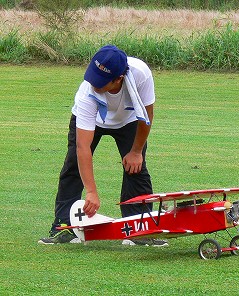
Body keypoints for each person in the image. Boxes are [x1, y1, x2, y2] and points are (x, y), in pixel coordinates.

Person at [38, 45, 167, 247]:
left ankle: (139, 231)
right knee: (73, 167)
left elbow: (147, 116)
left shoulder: (141, 73)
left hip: (130, 119)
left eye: (100, 79)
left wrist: (135, 151)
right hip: (92, 120)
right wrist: (91, 191)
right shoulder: (86, 93)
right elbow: (83, 147)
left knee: (136, 168)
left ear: (119, 79)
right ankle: (64, 226)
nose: (93, 83)